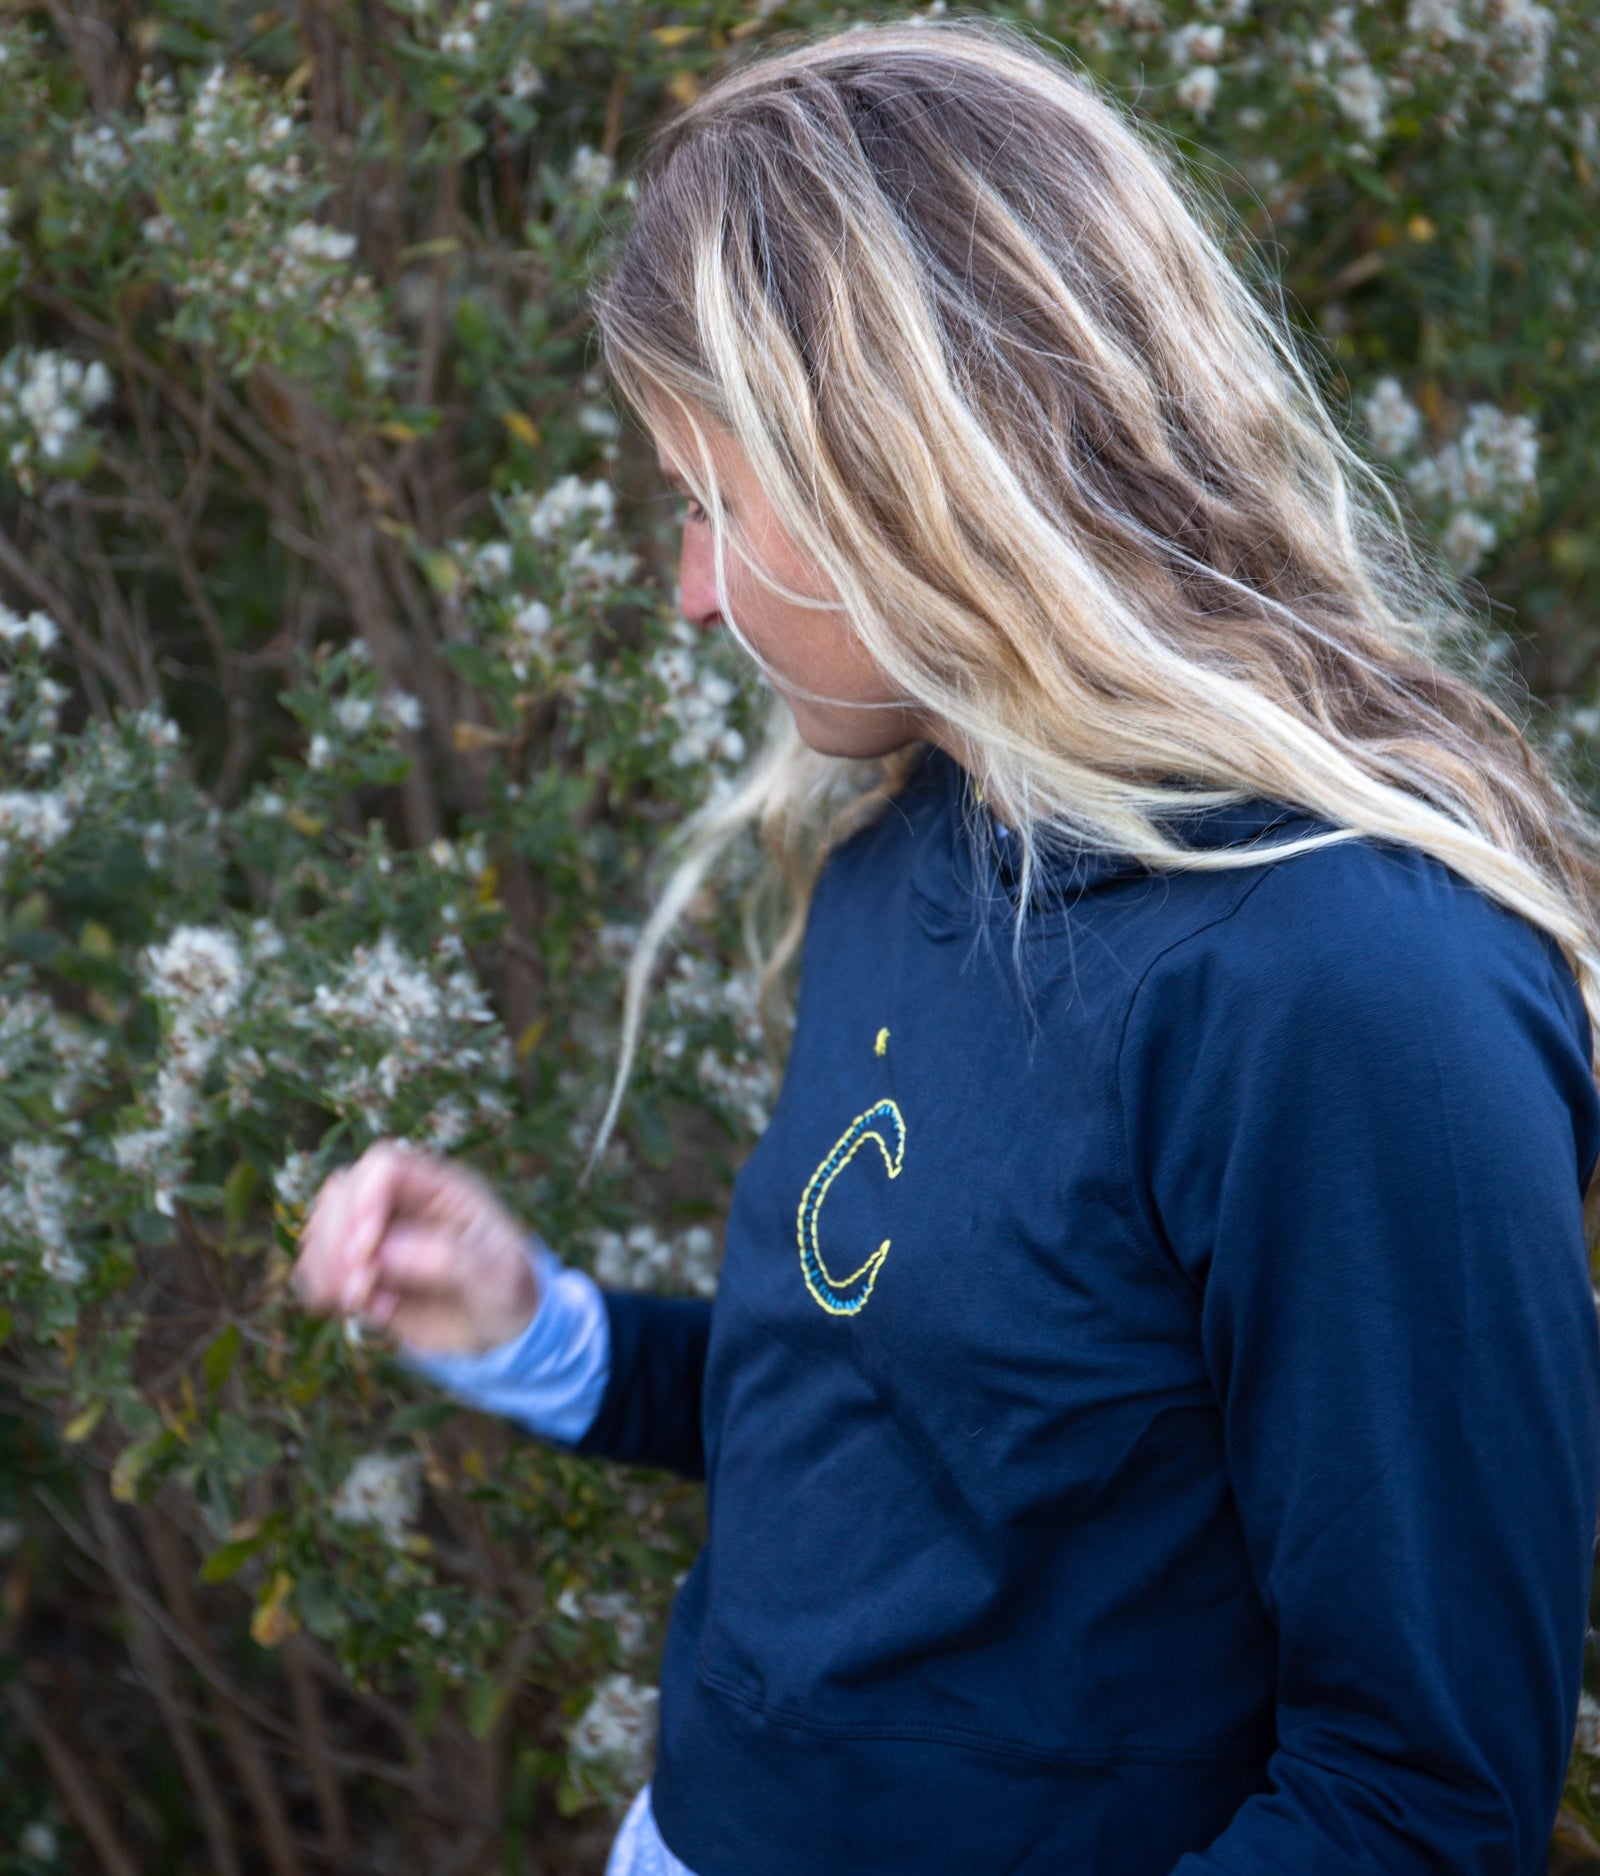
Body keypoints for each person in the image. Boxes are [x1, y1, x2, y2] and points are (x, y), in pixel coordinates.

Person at [291, 19, 1600, 1874]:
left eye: (709, 504)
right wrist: (549, 1339)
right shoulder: (911, 853)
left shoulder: (1351, 983)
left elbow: (1419, 1798)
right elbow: (903, 1424)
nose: (688, 588)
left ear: (913, 485)